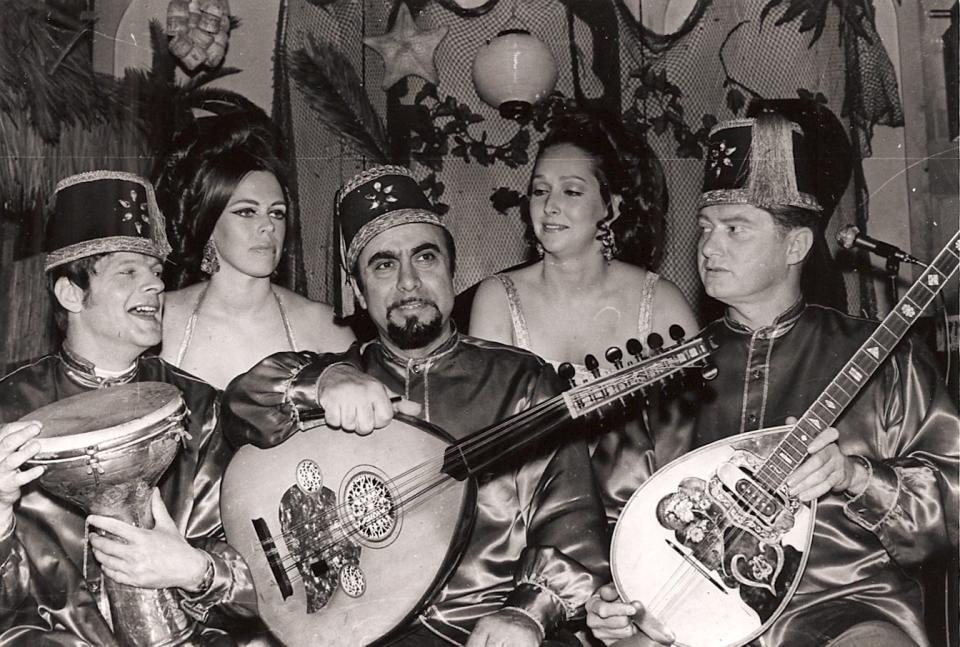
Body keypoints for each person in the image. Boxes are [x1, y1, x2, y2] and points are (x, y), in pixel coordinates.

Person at [585, 101, 959, 646]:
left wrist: (856, 476)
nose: (709, 247)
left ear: (796, 244)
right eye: (706, 228)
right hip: (688, 613)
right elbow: (609, 519)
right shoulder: (668, 374)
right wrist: (608, 598)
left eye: (736, 229)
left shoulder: (882, 357)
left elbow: (952, 500)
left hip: (847, 608)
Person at [223, 165, 609, 646]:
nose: (408, 282)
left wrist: (528, 613)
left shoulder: (522, 382)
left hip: (486, 630)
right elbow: (240, 407)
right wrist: (322, 383)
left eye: (425, 258)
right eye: (383, 265)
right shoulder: (338, 377)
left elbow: (572, 526)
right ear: (359, 292)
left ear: (451, 270)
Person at [0, 171, 257, 645]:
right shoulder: (9, 411)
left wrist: (196, 571)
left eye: (156, 273)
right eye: (128, 272)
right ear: (71, 293)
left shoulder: (199, 408)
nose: (155, 286)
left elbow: (257, 582)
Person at [469, 112, 699, 523]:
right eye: (539, 191)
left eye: (571, 191)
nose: (550, 206)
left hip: (642, 521)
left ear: (611, 207)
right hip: (526, 526)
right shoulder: (496, 298)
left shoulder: (661, 303)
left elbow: (684, 454)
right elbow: (491, 452)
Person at [156, 113, 354, 390]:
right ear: (208, 222)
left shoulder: (324, 325)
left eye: (277, 213)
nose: (268, 226)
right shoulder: (160, 317)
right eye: (247, 212)